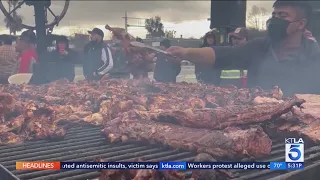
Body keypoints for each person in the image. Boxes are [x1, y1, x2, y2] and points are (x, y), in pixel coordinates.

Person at [166, 1, 320, 96]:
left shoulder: (315, 55)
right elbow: (224, 54)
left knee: (294, 149)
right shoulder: (259, 47)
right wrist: (185, 52)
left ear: (301, 24)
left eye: (283, 15)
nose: (275, 20)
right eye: (274, 15)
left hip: (299, 131)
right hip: (259, 126)